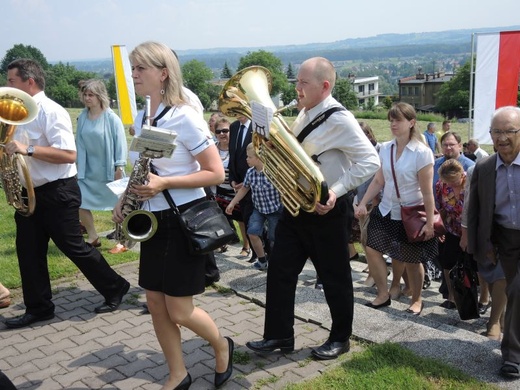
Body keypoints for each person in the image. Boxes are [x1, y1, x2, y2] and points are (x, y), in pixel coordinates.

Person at [246, 57, 380, 360]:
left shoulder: (340, 119)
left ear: (325, 86)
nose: (297, 87)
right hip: (298, 209)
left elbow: (371, 160)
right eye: (297, 81)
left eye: (303, 82)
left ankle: (340, 337)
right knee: (280, 271)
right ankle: (279, 335)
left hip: (328, 210)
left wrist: (335, 190)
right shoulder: (303, 113)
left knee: (334, 277)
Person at [116, 41, 232, 389]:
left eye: (140, 69)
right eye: (132, 67)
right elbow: (143, 166)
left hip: (184, 222)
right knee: (155, 303)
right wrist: (125, 198)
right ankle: (177, 373)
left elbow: (215, 173)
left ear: (163, 73)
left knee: (180, 310)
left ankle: (221, 345)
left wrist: (165, 183)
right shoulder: (143, 116)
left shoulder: (184, 116)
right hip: (152, 223)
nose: (133, 74)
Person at [4, 58, 130, 329]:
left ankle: (115, 286)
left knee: (74, 248)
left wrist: (28, 150)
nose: (7, 86)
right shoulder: (16, 114)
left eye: (11, 81)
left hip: (57, 191)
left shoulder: (51, 111)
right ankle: (39, 308)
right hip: (29, 192)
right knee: (28, 251)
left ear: (30, 82)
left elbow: (68, 154)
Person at [355, 102, 438, 316]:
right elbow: (378, 181)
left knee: (412, 260)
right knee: (371, 248)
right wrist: (363, 202)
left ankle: (417, 299)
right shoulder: (385, 148)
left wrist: (430, 223)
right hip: (385, 210)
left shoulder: (422, 152)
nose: (393, 124)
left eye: (398, 120)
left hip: (410, 213)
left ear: (411, 123)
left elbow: (427, 192)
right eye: (391, 120)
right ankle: (383, 294)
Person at [467, 106, 520, 379]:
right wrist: (480, 242)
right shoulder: (485, 167)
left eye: (509, 131)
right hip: (505, 239)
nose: (502, 138)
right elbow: (475, 208)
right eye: (496, 131)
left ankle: (512, 355)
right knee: (514, 292)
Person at [76, 79, 127, 248]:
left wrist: (119, 167)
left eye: (91, 95)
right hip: (87, 170)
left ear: (100, 96)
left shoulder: (112, 118)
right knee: (81, 202)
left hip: (109, 170)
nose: (87, 98)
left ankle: (122, 240)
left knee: (118, 206)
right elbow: (79, 142)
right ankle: (93, 237)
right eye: (85, 94)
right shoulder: (82, 116)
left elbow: (120, 143)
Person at [460, 166, 506, 341]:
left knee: (504, 275)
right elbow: (469, 204)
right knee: (492, 274)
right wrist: (465, 234)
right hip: (487, 232)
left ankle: (496, 320)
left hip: (513, 233)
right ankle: (498, 314)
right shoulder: (478, 169)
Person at [225, 143, 283, 270]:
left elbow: (282, 190)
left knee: (274, 238)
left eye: (249, 157)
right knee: (252, 233)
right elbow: (244, 189)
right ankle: (262, 260)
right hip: (259, 209)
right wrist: (232, 203)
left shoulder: (272, 172)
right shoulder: (250, 173)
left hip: (275, 210)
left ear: (259, 158)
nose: (246, 159)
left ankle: (277, 263)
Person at [435, 159, 468, 309]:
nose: (450, 184)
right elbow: (440, 208)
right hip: (451, 229)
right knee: (447, 261)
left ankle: (484, 298)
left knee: (476, 265)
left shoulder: (472, 183)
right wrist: (439, 229)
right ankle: (451, 295)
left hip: (472, 230)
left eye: (453, 181)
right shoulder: (441, 185)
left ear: (462, 174)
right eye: (447, 181)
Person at [228, 114, 255, 261]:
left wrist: (246, 182)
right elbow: (233, 155)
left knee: (255, 221)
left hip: (254, 182)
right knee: (245, 217)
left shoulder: (256, 126)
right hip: (238, 184)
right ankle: (255, 253)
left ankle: (261, 254)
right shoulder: (234, 127)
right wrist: (233, 179)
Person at [212, 117, 240, 253]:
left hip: (237, 192)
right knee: (219, 219)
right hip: (217, 191)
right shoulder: (212, 149)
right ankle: (222, 242)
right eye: (218, 131)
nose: (222, 134)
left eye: (225, 130)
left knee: (241, 221)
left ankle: (246, 248)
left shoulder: (237, 149)